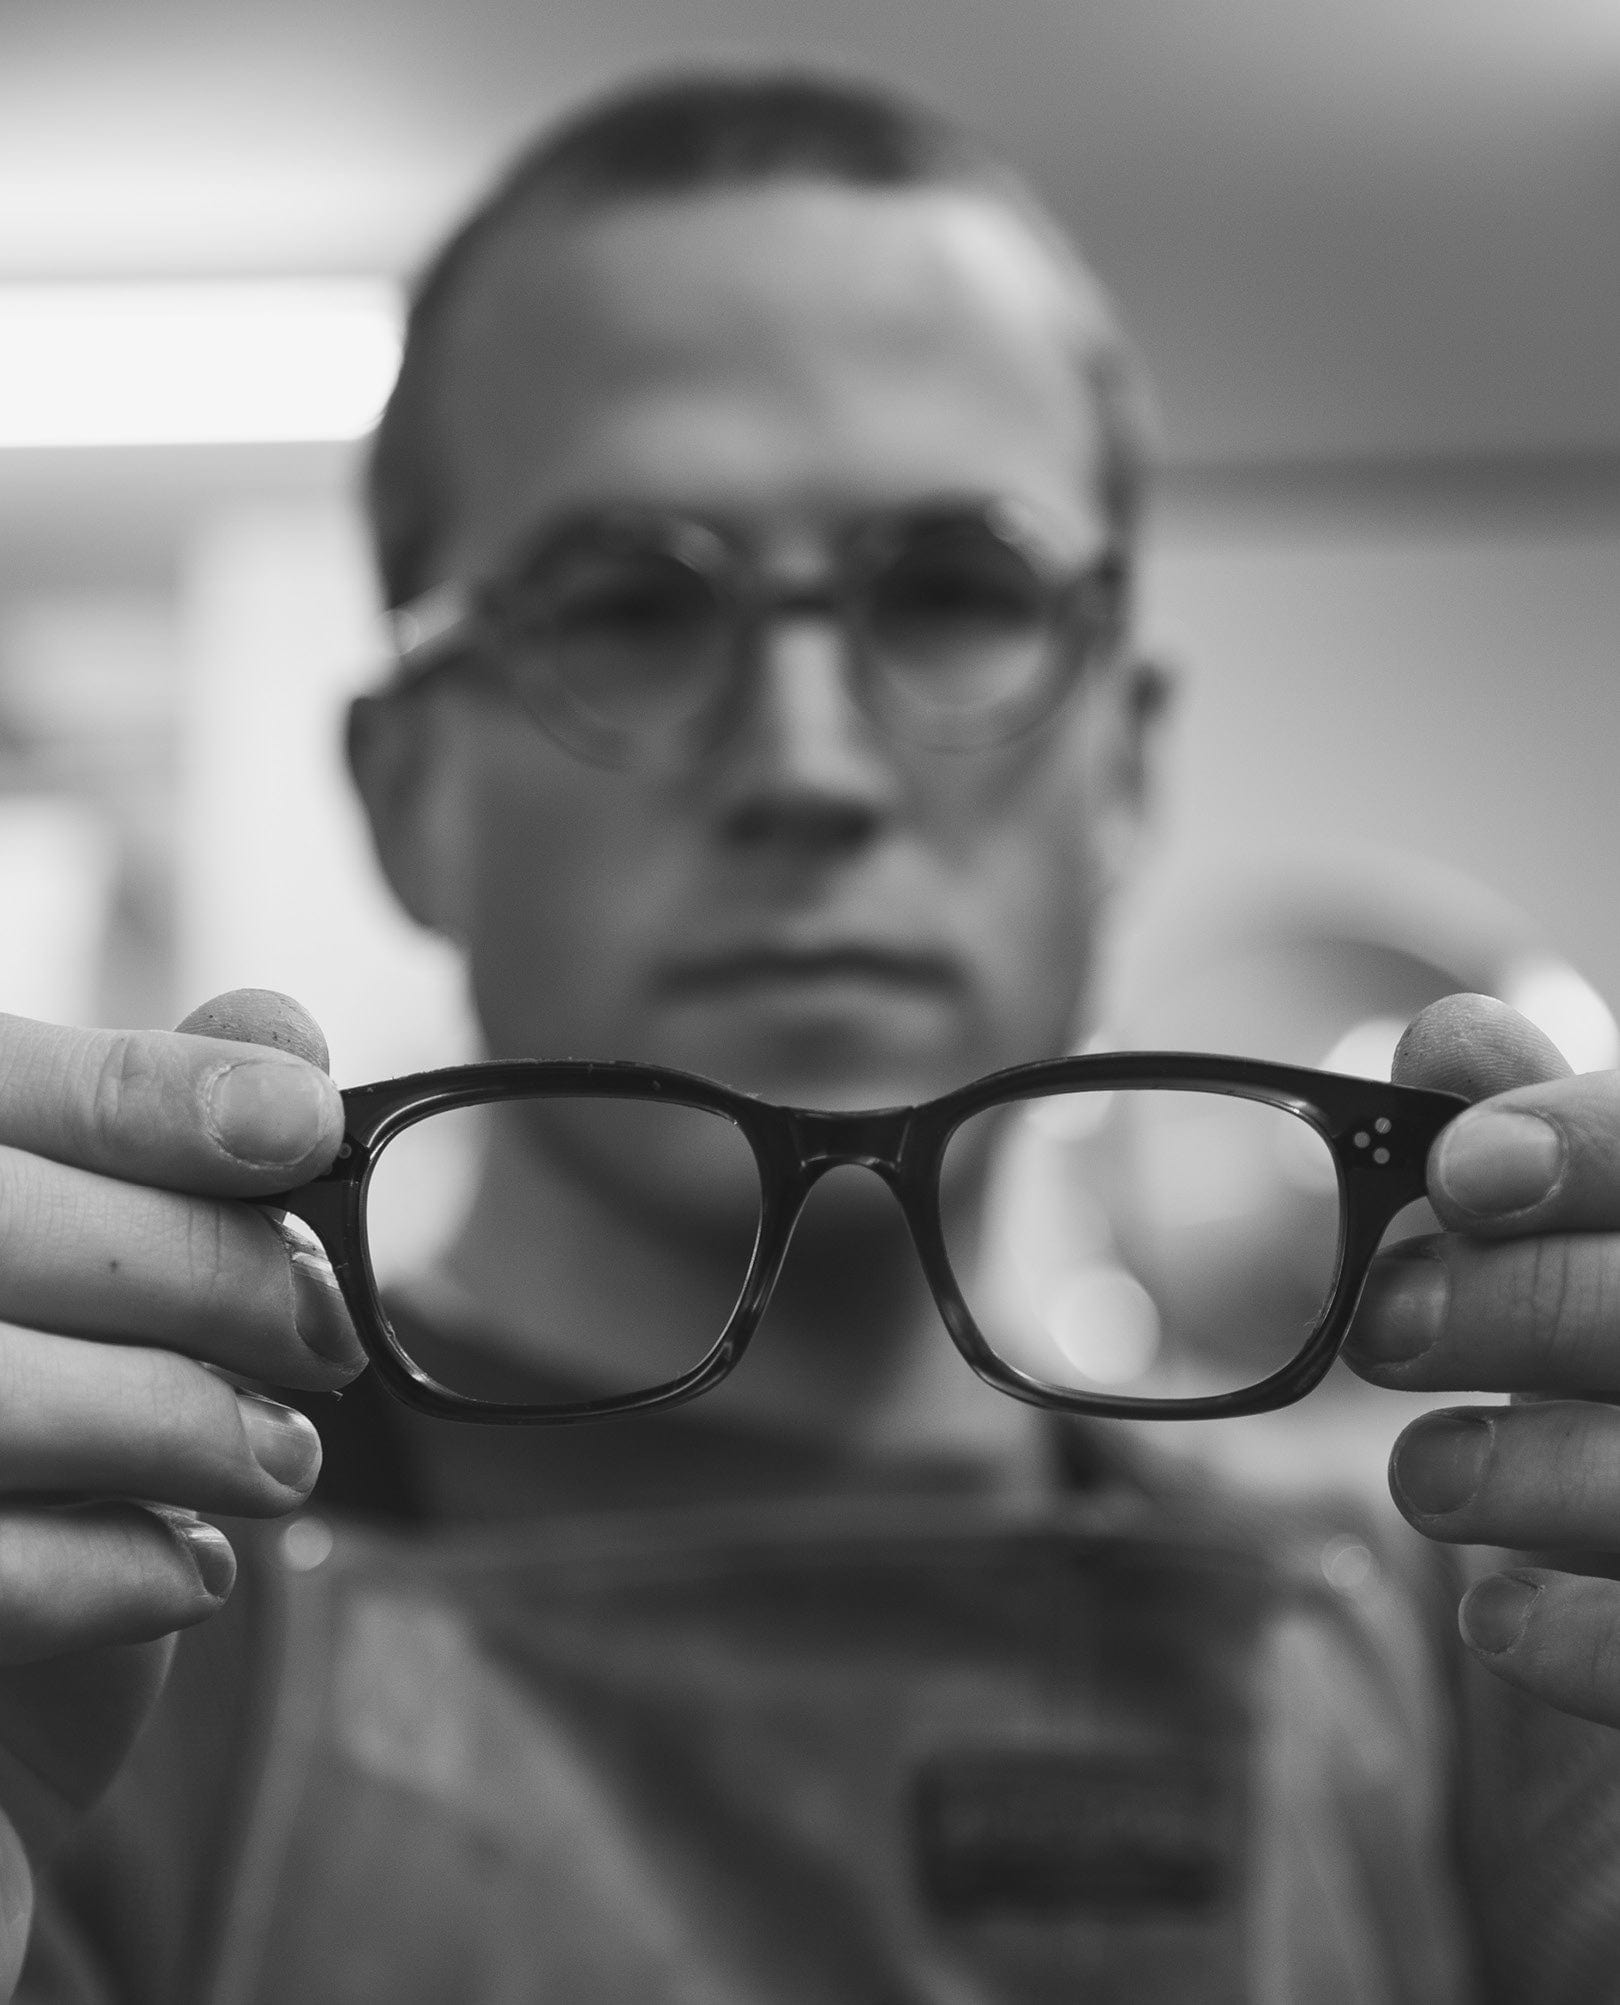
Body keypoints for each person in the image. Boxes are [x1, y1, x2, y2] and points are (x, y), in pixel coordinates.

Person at [2, 70, 1619, 2003]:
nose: (811, 766)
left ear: (1123, 769)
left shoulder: (1501, 1659)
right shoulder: (90, 1650)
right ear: (405, 789)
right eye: (626, 606)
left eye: (951, 594)